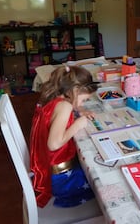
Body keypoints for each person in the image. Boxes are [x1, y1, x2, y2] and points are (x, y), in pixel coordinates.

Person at [30, 65, 98, 208]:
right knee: (99, 181)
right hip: (62, 181)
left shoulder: (56, 97)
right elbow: (53, 144)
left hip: (50, 170)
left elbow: (66, 108)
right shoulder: (65, 107)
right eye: (84, 100)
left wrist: (81, 109)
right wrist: (77, 125)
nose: (83, 103)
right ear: (73, 91)